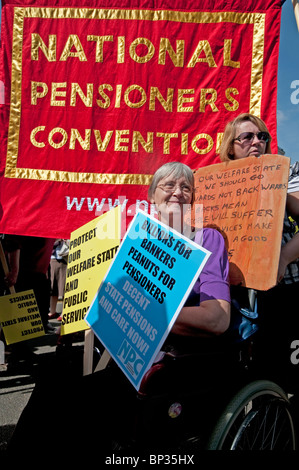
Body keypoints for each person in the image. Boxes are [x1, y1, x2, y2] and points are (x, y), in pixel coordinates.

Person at [7, 162, 231, 453]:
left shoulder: (206, 239)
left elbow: (217, 319)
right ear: (152, 195)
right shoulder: (137, 239)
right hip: (119, 350)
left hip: (171, 358)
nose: (178, 192)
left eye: (186, 187)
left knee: (79, 400)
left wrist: (143, 311)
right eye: (169, 186)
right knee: (55, 371)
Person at [220, 112, 299, 391]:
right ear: (231, 146)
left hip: (282, 288)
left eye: (262, 136)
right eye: (247, 136)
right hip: (235, 292)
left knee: (279, 371)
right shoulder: (217, 184)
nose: (256, 141)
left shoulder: (285, 173)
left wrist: (284, 258)